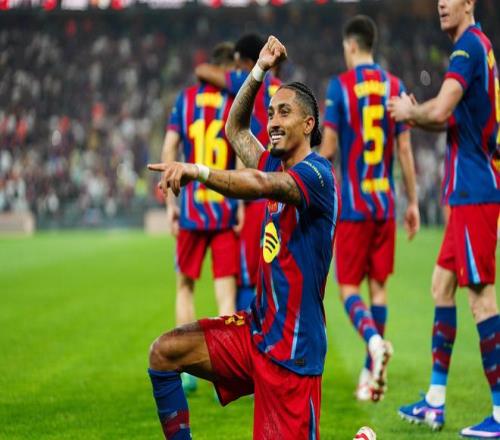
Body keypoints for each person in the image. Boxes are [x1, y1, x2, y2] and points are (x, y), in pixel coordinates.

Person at [147, 36, 339, 439]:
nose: (273, 121)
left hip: (293, 352)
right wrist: (258, 70)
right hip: (255, 332)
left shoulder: (317, 175)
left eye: (284, 112)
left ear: (308, 124)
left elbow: (258, 184)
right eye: (270, 113)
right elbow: (234, 129)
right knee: (164, 353)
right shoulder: (275, 162)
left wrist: (198, 171)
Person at [389, 0, 499, 436]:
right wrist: (419, 116)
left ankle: (499, 413)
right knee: (441, 285)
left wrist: (409, 113)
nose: (440, 4)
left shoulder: (467, 48)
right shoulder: (479, 47)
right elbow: (448, 119)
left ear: (469, 3)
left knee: (481, 298)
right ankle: (434, 402)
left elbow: (439, 111)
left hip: (474, 190)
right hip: (467, 189)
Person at [319, 15, 420, 402]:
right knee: (378, 288)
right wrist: (413, 201)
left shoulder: (341, 86)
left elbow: (329, 147)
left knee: (347, 288)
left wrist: (300, 170)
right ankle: (368, 373)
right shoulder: (395, 86)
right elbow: (405, 150)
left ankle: (374, 344)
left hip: (354, 207)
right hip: (385, 205)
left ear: (351, 45)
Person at [160, 42, 240, 393]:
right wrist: (239, 205)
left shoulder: (185, 99)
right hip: (223, 210)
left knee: (185, 287)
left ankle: (188, 370)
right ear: (227, 69)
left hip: (192, 211)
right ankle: (226, 368)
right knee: (226, 295)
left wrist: (170, 204)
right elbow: (240, 152)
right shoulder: (233, 101)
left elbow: (169, 149)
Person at [195, 34, 282, 311]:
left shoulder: (246, 81)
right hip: (282, 189)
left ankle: (250, 337)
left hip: (254, 192)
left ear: (244, 62)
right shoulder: (282, 89)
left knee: (247, 278)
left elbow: (202, 70)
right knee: (276, 273)